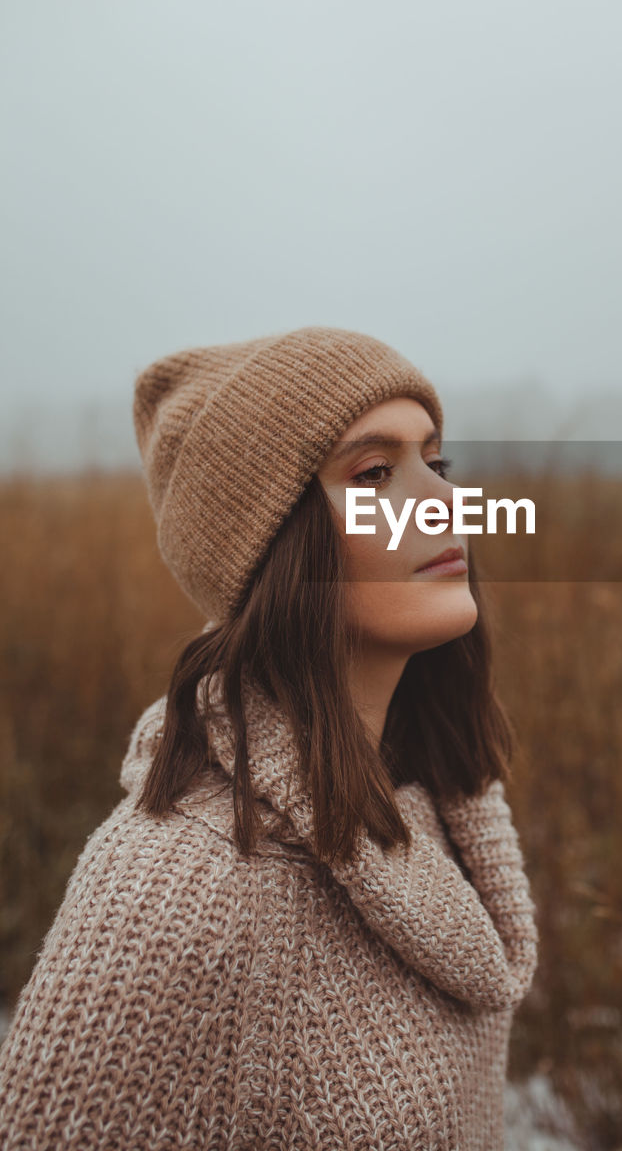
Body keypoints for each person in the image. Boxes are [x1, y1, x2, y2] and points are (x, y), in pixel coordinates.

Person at [0, 326, 538, 1150]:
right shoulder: (178, 895)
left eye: (438, 461)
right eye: (373, 473)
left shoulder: (429, 805)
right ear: (274, 550)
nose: (443, 500)